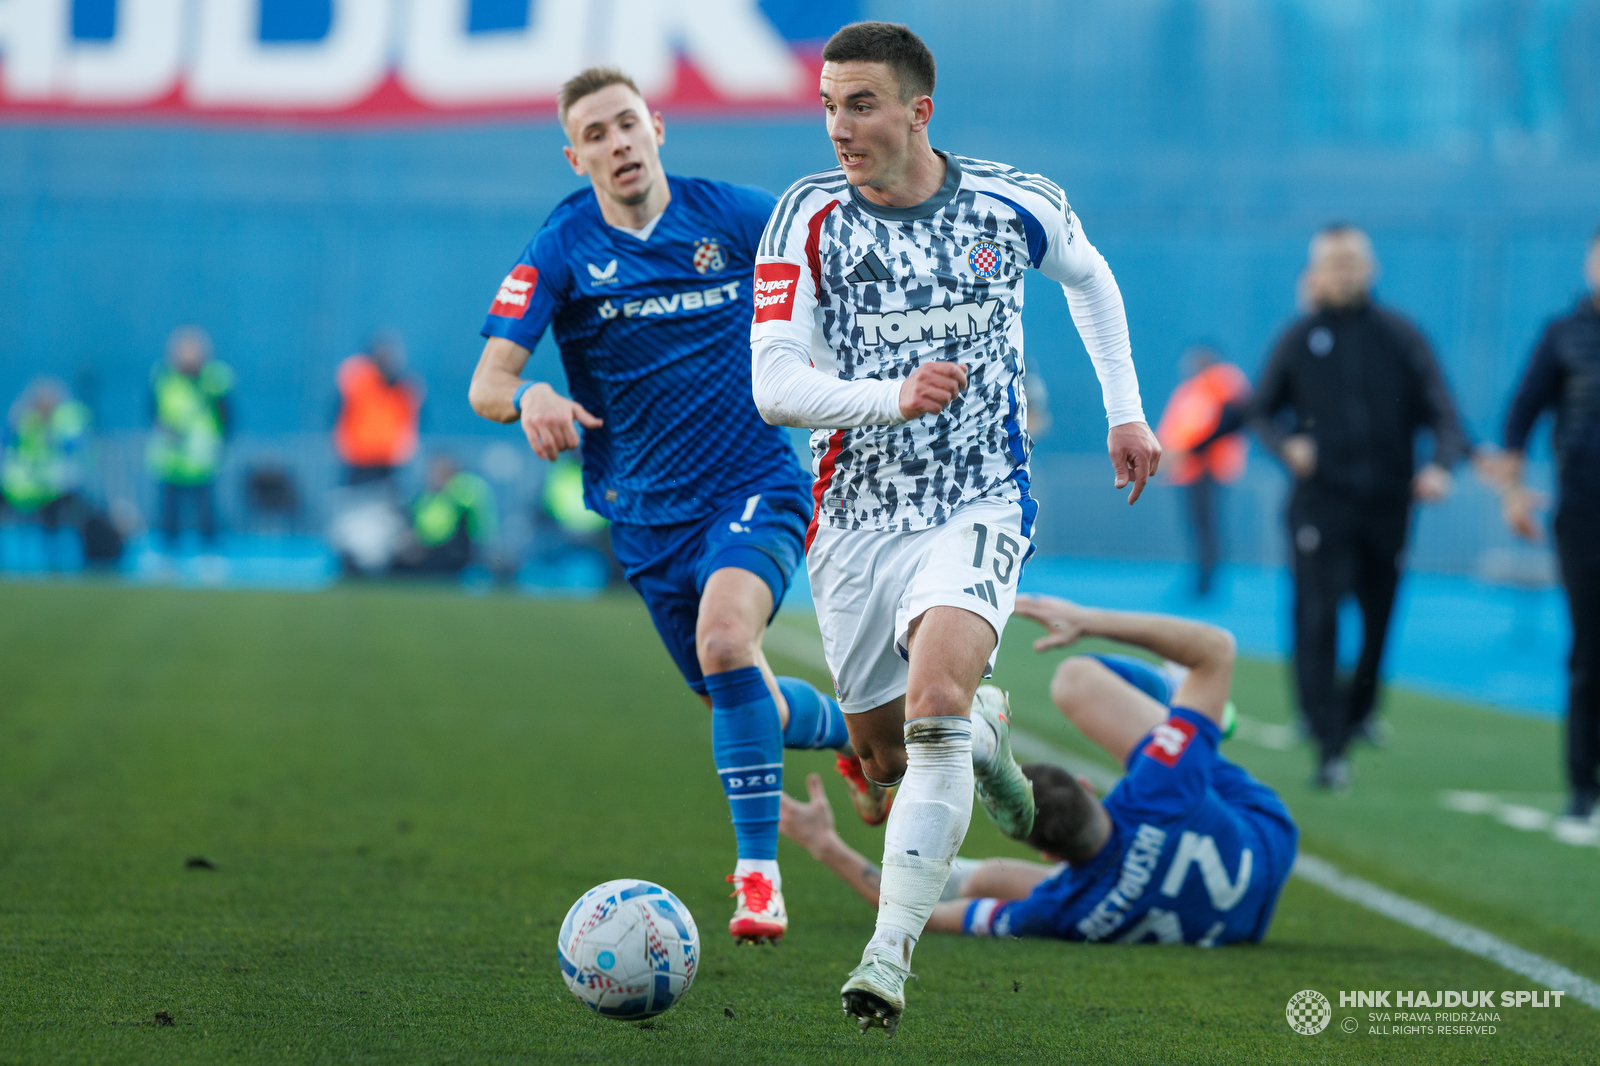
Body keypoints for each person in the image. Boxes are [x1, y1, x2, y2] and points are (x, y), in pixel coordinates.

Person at [749, 22, 1159, 1032]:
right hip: (854, 519)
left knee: (931, 699)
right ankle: (981, 738)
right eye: (829, 104)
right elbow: (773, 385)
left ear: (917, 111)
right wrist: (892, 396)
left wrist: (1125, 409)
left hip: (978, 501)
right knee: (884, 758)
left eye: (861, 104)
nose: (839, 125)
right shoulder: (804, 218)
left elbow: (1091, 278)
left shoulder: (1011, 202)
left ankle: (884, 961)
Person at [467, 66, 876, 946]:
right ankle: (861, 730)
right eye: (597, 135)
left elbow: (847, 259)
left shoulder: (733, 214)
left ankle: (757, 878)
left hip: (754, 484)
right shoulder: (562, 247)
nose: (618, 144)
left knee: (728, 641)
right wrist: (529, 397)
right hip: (645, 519)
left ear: (658, 126)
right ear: (575, 156)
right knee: (732, 691)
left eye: (627, 124)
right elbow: (488, 381)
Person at [781, 594, 1296, 952]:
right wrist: (1086, 621)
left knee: (989, 880)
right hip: (1267, 839)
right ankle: (1187, 705)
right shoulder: (1157, 789)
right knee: (1076, 680)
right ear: (1089, 788)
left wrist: (826, 844)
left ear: (1049, 853)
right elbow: (1217, 650)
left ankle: (1188, 715)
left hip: (1235, 920)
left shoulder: (1061, 907)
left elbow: (933, 917)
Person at [1248, 226, 1470, 790]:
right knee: (1319, 616)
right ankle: (1328, 741)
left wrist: (1441, 465)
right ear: (1316, 271)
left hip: (1389, 505)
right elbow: (1259, 411)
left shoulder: (1400, 335)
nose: (1344, 271)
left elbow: (1444, 412)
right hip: (1321, 503)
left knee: (1377, 621)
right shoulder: (1298, 337)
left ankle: (1358, 711)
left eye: (1353, 261)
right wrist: (1286, 446)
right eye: (1333, 262)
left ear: (1370, 268)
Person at [1495, 226, 1600, 820]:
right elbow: (1520, 415)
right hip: (1583, 513)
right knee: (1589, 649)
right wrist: (1511, 492)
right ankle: (1583, 785)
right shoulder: (1563, 334)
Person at [1156, 344, 1250, 596]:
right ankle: (1200, 576)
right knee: (1197, 526)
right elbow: (1177, 427)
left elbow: (1228, 419)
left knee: (1207, 526)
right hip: (1186, 469)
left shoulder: (1221, 380)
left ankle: (1207, 580)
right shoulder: (1190, 389)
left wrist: (1193, 450)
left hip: (1208, 467)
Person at [148, 326, 233, 554]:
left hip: (201, 457)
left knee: (206, 510)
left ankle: (209, 555)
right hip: (171, 457)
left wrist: (220, 444)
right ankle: (168, 555)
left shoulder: (214, 378)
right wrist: (166, 432)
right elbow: (153, 413)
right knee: (169, 511)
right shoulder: (164, 378)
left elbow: (226, 414)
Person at [2, 378, 92, 568]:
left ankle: (54, 561)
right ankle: (23, 561)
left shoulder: (63, 422)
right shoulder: (24, 421)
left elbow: (75, 449)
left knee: (53, 524)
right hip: (25, 487)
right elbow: (13, 447)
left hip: (51, 488)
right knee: (23, 526)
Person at [335, 332, 424, 488]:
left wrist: (406, 446)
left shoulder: (404, 386)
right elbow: (338, 410)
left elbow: (413, 418)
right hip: (359, 456)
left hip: (390, 459)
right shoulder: (357, 380)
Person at [394, 455, 496, 576]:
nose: (433, 477)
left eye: (439, 472)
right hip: (424, 553)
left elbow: (480, 532)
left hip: (452, 555)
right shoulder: (423, 499)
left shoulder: (462, 497)